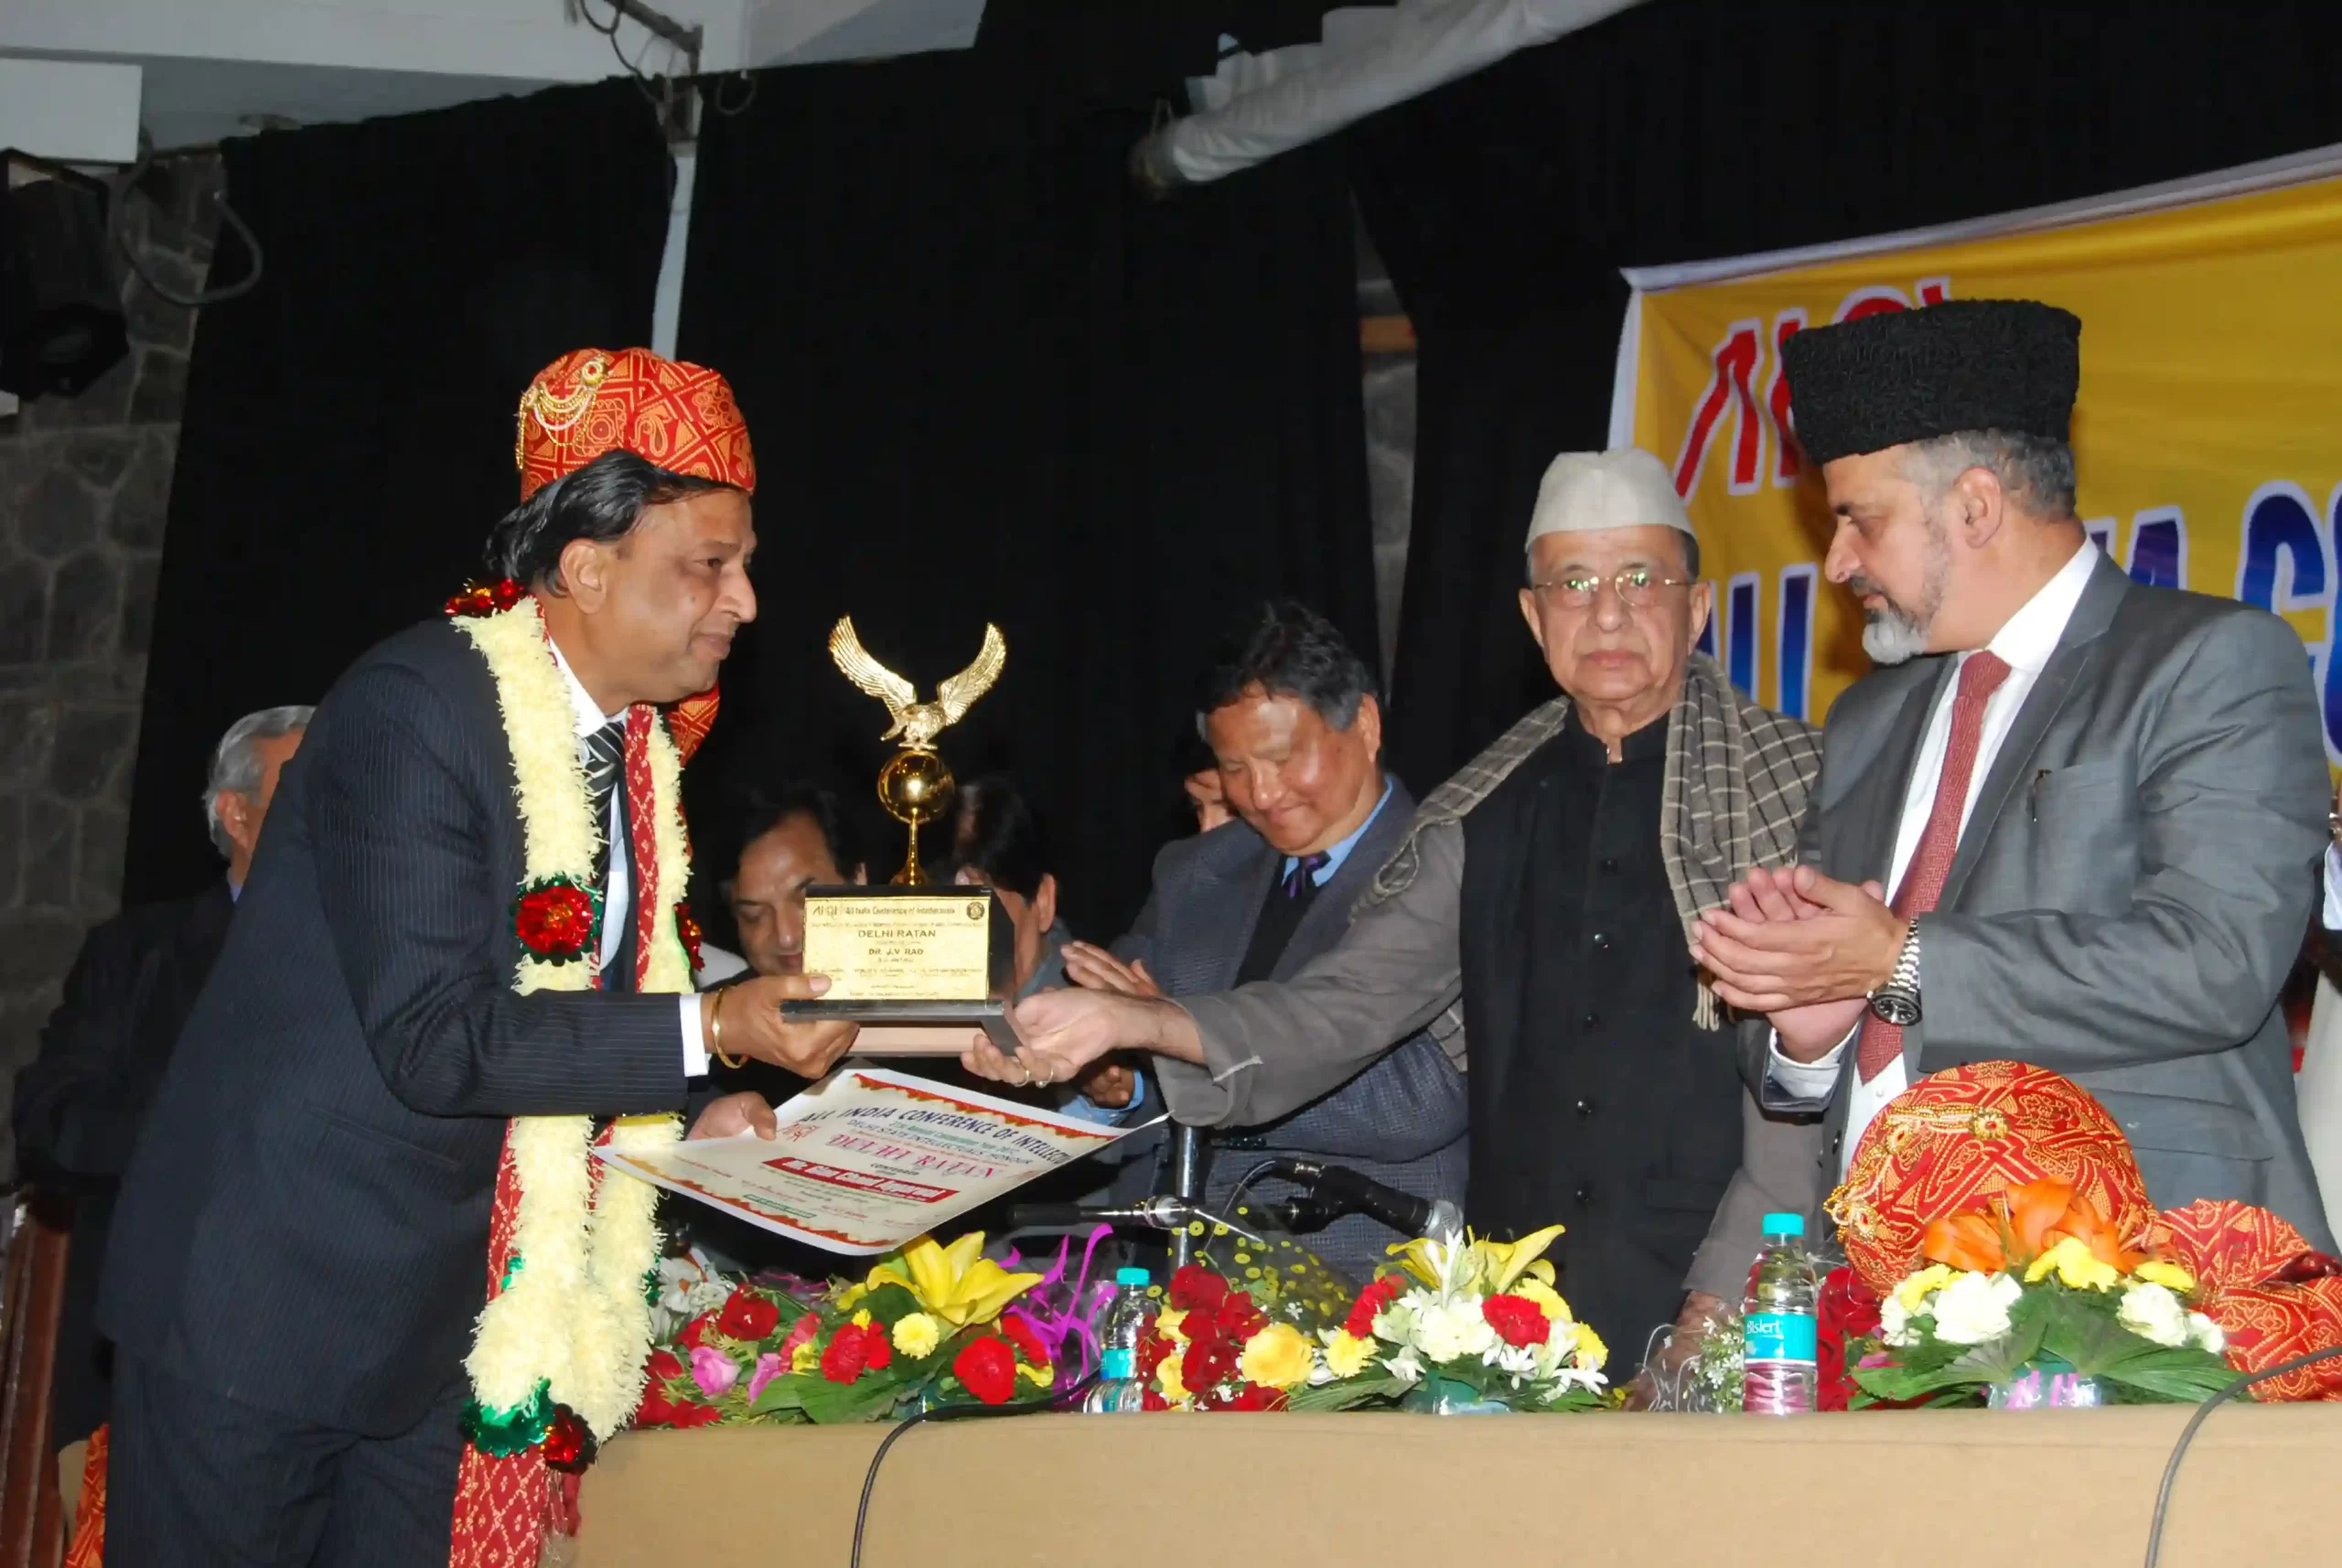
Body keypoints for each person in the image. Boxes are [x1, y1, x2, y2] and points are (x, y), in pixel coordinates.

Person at [95, 348, 858, 1567]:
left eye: (745, 564)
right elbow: (437, 1036)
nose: (746, 602)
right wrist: (713, 1031)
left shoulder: (637, 751)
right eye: (710, 565)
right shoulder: (418, 706)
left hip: (438, 1331)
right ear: (587, 567)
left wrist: (697, 1112)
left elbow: (572, 1015)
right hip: (270, 1304)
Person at [969, 449, 1826, 1365]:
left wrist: (1723, 1303)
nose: (1607, 613)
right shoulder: (1478, 813)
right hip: (1516, 1319)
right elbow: (1340, 1006)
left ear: (1696, 608)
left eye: (1640, 578)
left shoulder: (1801, 786)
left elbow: (1805, 1079)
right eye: (1573, 584)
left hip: (1731, 1295)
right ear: (1533, 617)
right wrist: (1136, 1022)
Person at [1690, 298, 2336, 1251]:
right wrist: (1809, 1029)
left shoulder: (2208, 662)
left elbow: (2216, 963)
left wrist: (1899, 961)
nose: (1835, 562)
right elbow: (1842, 1030)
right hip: (1873, 1285)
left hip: (2142, 1271)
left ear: (1976, 506)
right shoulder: (1869, 720)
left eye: (1860, 521)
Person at [1056, 603, 1466, 1282]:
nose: (1263, 793)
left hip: (1362, 1279)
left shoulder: (1443, 867)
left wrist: (1174, 1047)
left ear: (1365, 725)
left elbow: (1421, 1097)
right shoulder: (1197, 871)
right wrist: (1116, 1079)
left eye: (1281, 758)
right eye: (1235, 768)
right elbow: (1128, 1017)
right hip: (1172, 1274)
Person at [15, 703, 309, 1447]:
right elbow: (53, 1125)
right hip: (162, 1352)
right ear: (237, 815)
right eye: (307, 787)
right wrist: (206, 1137)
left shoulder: (391, 956)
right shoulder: (141, 954)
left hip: (328, 1359)